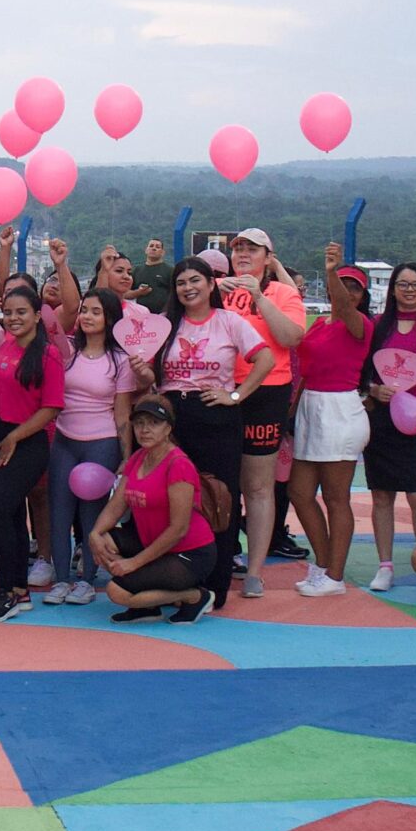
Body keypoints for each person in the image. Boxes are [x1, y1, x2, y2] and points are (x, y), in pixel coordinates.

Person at [152, 252, 274, 601]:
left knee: (219, 499)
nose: (188, 288)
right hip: (171, 421)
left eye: (195, 281)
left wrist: (235, 396)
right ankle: (174, 576)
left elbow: (264, 359)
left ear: (210, 284)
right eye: (180, 282)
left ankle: (215, 582)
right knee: (172, 500)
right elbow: (149, 371)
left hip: (215, 418)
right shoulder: (166, 323)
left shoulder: (229, 321)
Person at [0, 285, 63, 624]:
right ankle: (17, 590)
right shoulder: (5, 345)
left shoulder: (48, 355)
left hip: (27, 442)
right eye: (8, 313)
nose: (13, 318)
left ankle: (9, 590)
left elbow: (51, 408)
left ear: (37, 315)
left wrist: (14, 438)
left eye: (21, 312)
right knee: (11, 517)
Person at [359, 262, 416, 592]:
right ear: (393, 289)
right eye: (403, 284)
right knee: (381, 496)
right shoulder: (376, 325)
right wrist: (373, 390)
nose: (409, 290)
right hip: (381, 421)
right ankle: (385, 566)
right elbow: (362, 374)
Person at [221, 227, 309, 569]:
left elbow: (291, 337)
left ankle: (256, 569)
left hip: (267, 393)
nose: (243, 254)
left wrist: (259, 297)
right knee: (223, 482)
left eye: (252, 249)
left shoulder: (282, 293)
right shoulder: (216, 290)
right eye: (238, 248)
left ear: (268, 258)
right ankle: (225, 556)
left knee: (258, 487)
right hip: (221, 389)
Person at [84, 394, 211, 622]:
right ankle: (146, 604)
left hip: (189, 553)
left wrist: (134, 563)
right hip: (151, 543)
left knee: (116, 591)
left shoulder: (178, 465)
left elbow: (179, 529)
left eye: (154, 423)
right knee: (103, 540)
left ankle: (193, 596)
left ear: (168, 429)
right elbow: (115, 507)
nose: (145, 430)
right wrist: (94, 533)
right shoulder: (137, 458)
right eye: (140, 423)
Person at [47, 268, 132, 606]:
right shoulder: (66, 352)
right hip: (64, 441)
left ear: (111, 318)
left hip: (101, 444)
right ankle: (61, 579)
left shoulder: (120, 360)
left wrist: (126, 456)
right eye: (85, 310)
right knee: (59, 511)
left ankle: (87, 579)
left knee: (91, 515)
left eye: (96, 311)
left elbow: (122, 413)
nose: (87, 316)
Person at [289, 259, 373, 595]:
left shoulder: (360, 325)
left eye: (354, 287)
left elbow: (344, 306)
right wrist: (293, 411)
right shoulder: (320, 324)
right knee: (300, 492)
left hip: (339, 409)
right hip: (312, 406)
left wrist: (329, 272)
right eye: (342, 284)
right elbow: (307, 370)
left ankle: (335, 575)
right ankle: (323, 564)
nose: (346, 292)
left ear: (361, 295)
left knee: (336, 498)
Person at [127, 238, 176, 315]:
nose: (154, 248)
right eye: (151, 246)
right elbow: (126, 294)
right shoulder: (137, 270)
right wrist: (138, 292)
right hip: (140, 315)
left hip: (163, 315)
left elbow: (175, 293)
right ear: (146, 250)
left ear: (163, 252)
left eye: (157, 247)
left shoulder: (170, 270)